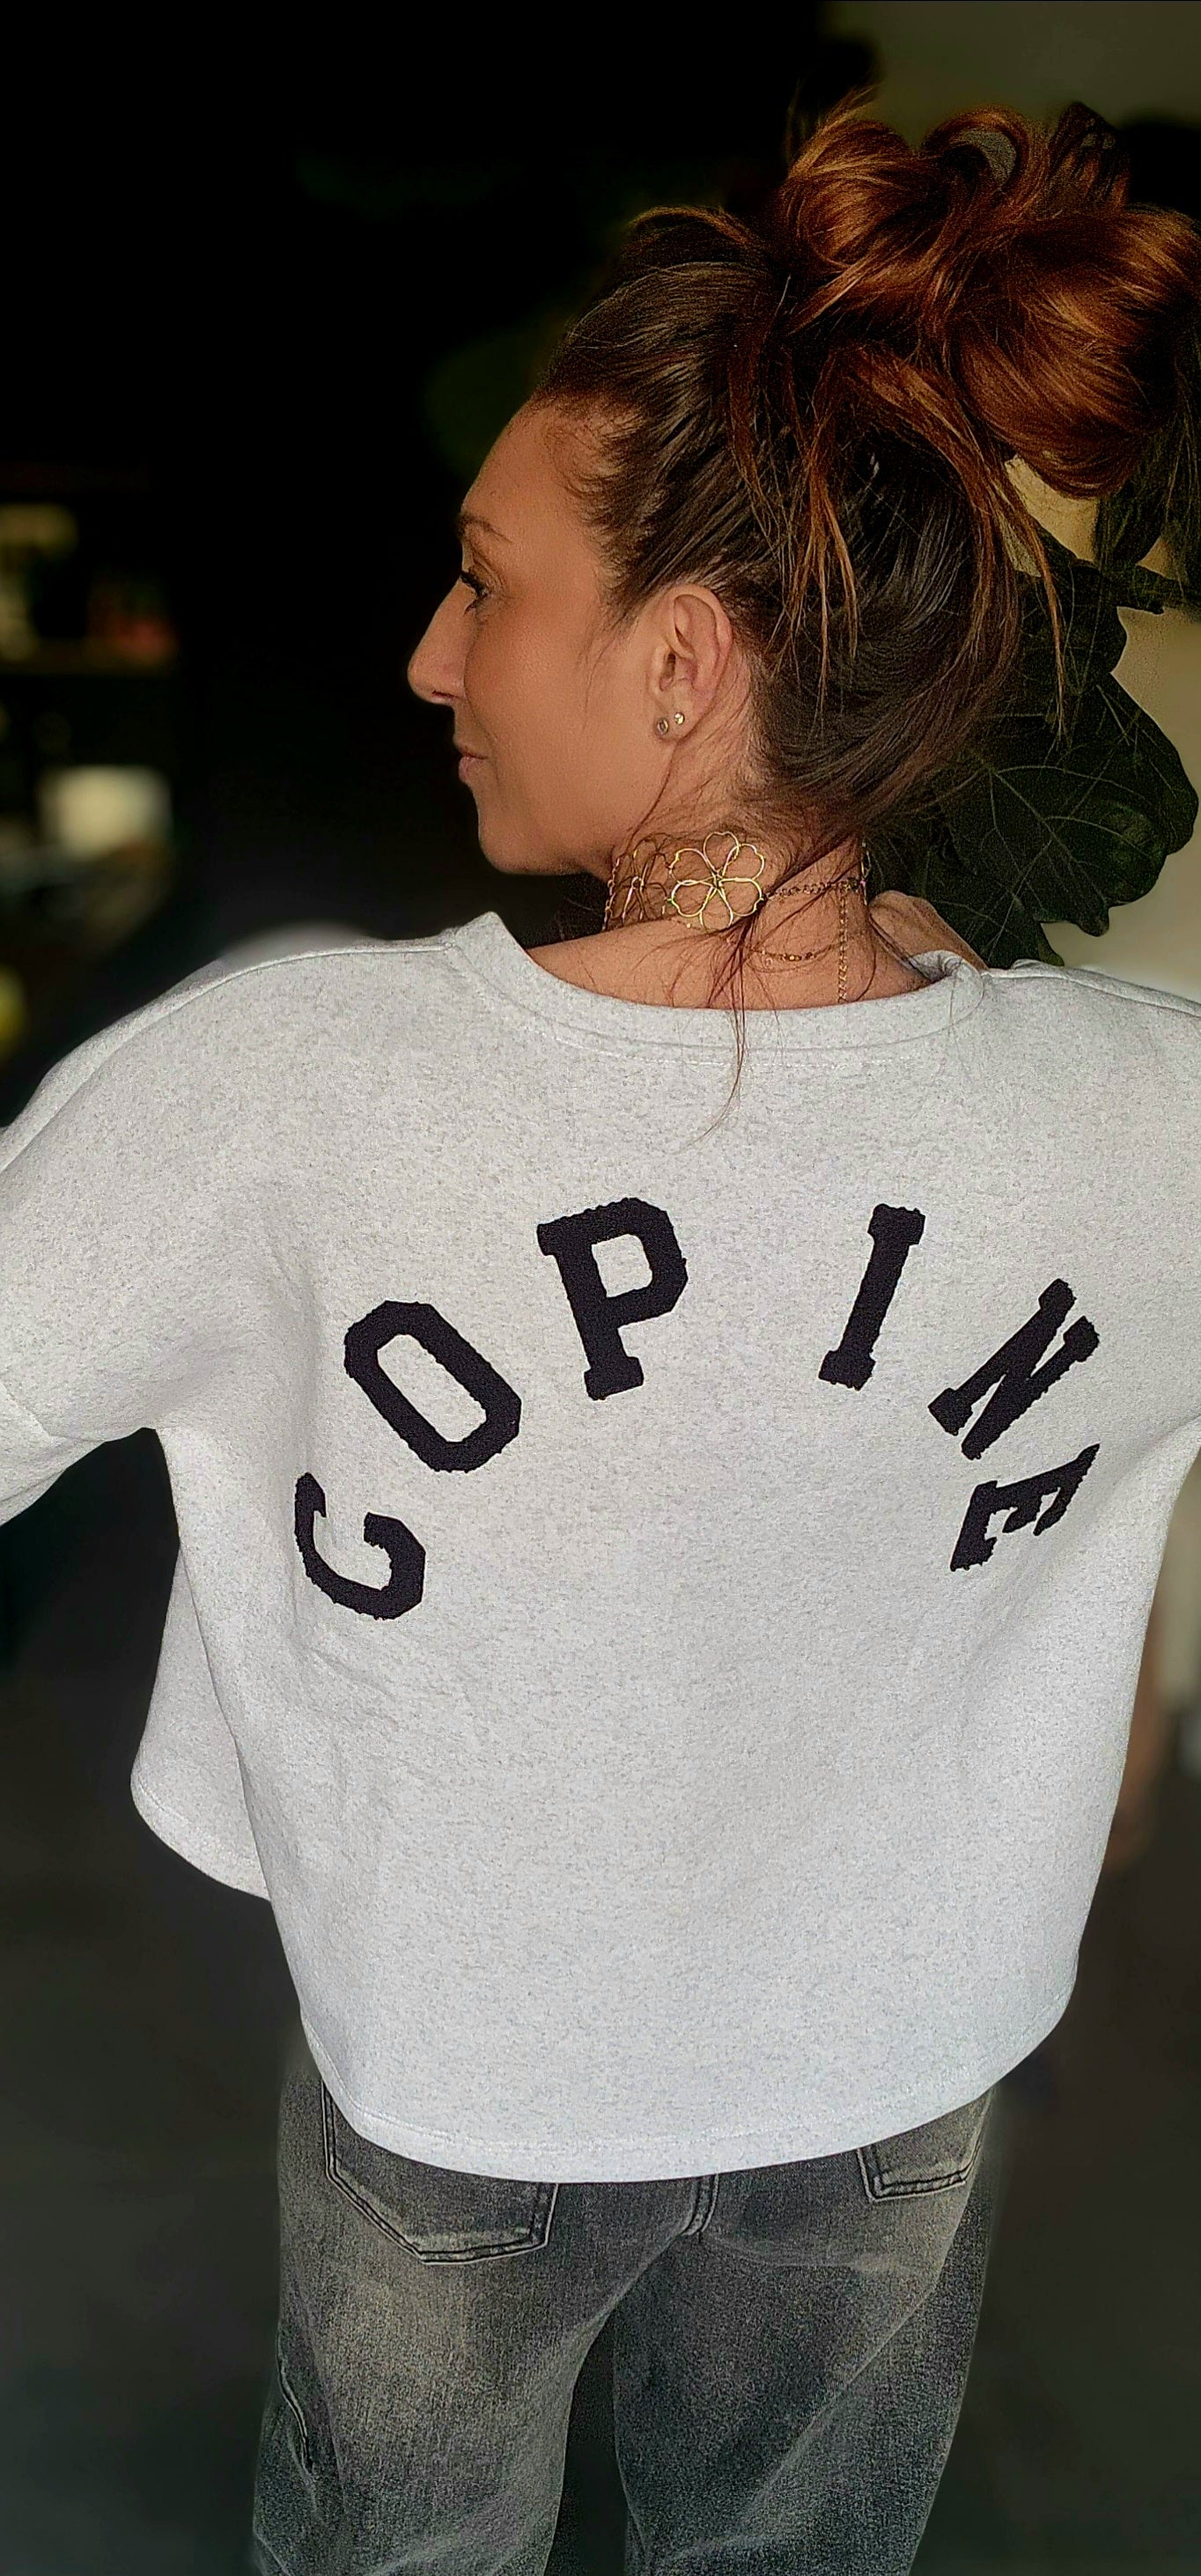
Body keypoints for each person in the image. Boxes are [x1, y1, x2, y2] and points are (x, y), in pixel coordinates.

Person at [1, 92, 1199, 2576]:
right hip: (904, 2063)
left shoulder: (280, 1088)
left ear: (678, 661)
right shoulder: (1145, 1113)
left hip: (474, 2083)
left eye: (482, 585)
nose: (430, 656)